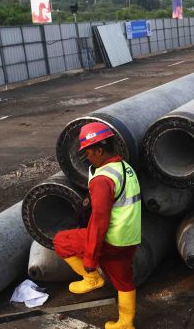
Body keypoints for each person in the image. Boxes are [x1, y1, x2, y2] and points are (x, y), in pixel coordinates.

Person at [53, 122, 141, 329]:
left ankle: (91, 279)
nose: (87, 157)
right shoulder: (125, 168)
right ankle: (125, 324)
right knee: (123, 280)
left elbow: (99, 221)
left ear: (99, 150)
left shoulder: (103, 179)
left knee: (62, 241)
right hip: (130, 237)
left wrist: (90, 260)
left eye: (88, 152)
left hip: (112, 238)